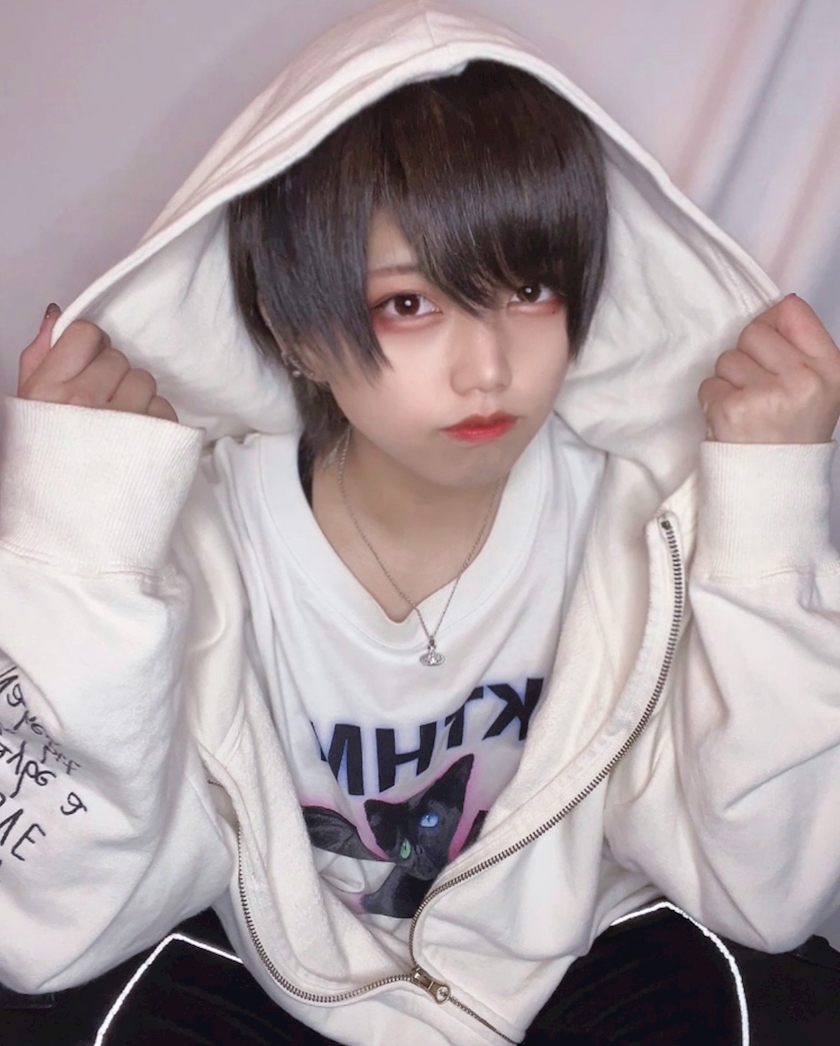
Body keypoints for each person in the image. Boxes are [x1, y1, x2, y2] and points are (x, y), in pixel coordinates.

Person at [2, 3, 840, 1044]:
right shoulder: (201, 535)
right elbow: (51, 926)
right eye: (409, 304)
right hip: (279, 976)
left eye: (529, 288)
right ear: (294, 329)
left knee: (786, 999)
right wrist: (78, 539)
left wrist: (771, 505)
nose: (487, 368)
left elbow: (770, 895)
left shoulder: (637, 524)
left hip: (566, 969)